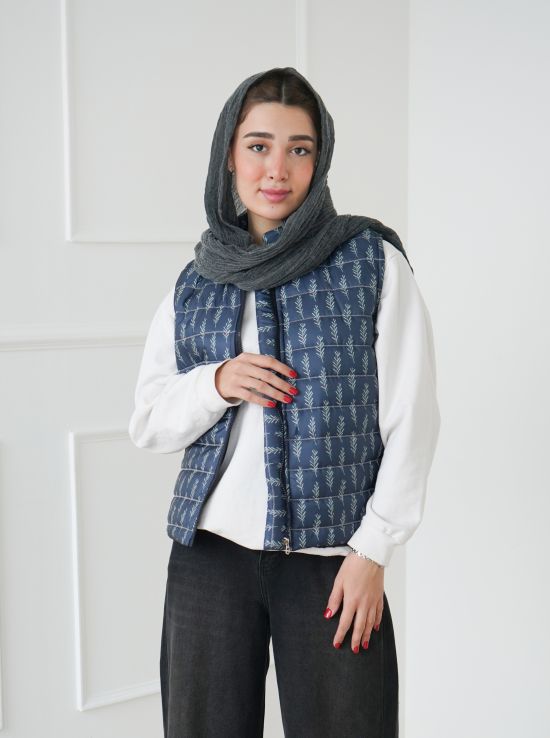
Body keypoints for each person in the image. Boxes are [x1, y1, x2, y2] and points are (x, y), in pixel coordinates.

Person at [129, 66, 441, 738]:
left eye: (300, 149)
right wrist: (217, 382)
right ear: (229, 155)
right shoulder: (197, 280)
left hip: (332, 563)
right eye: (259, 146)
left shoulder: (370, 262)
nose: (278, 169)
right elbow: (148, 421)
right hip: (208, 559)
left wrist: (373, 552)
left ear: (319, 160)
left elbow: (413, 416)